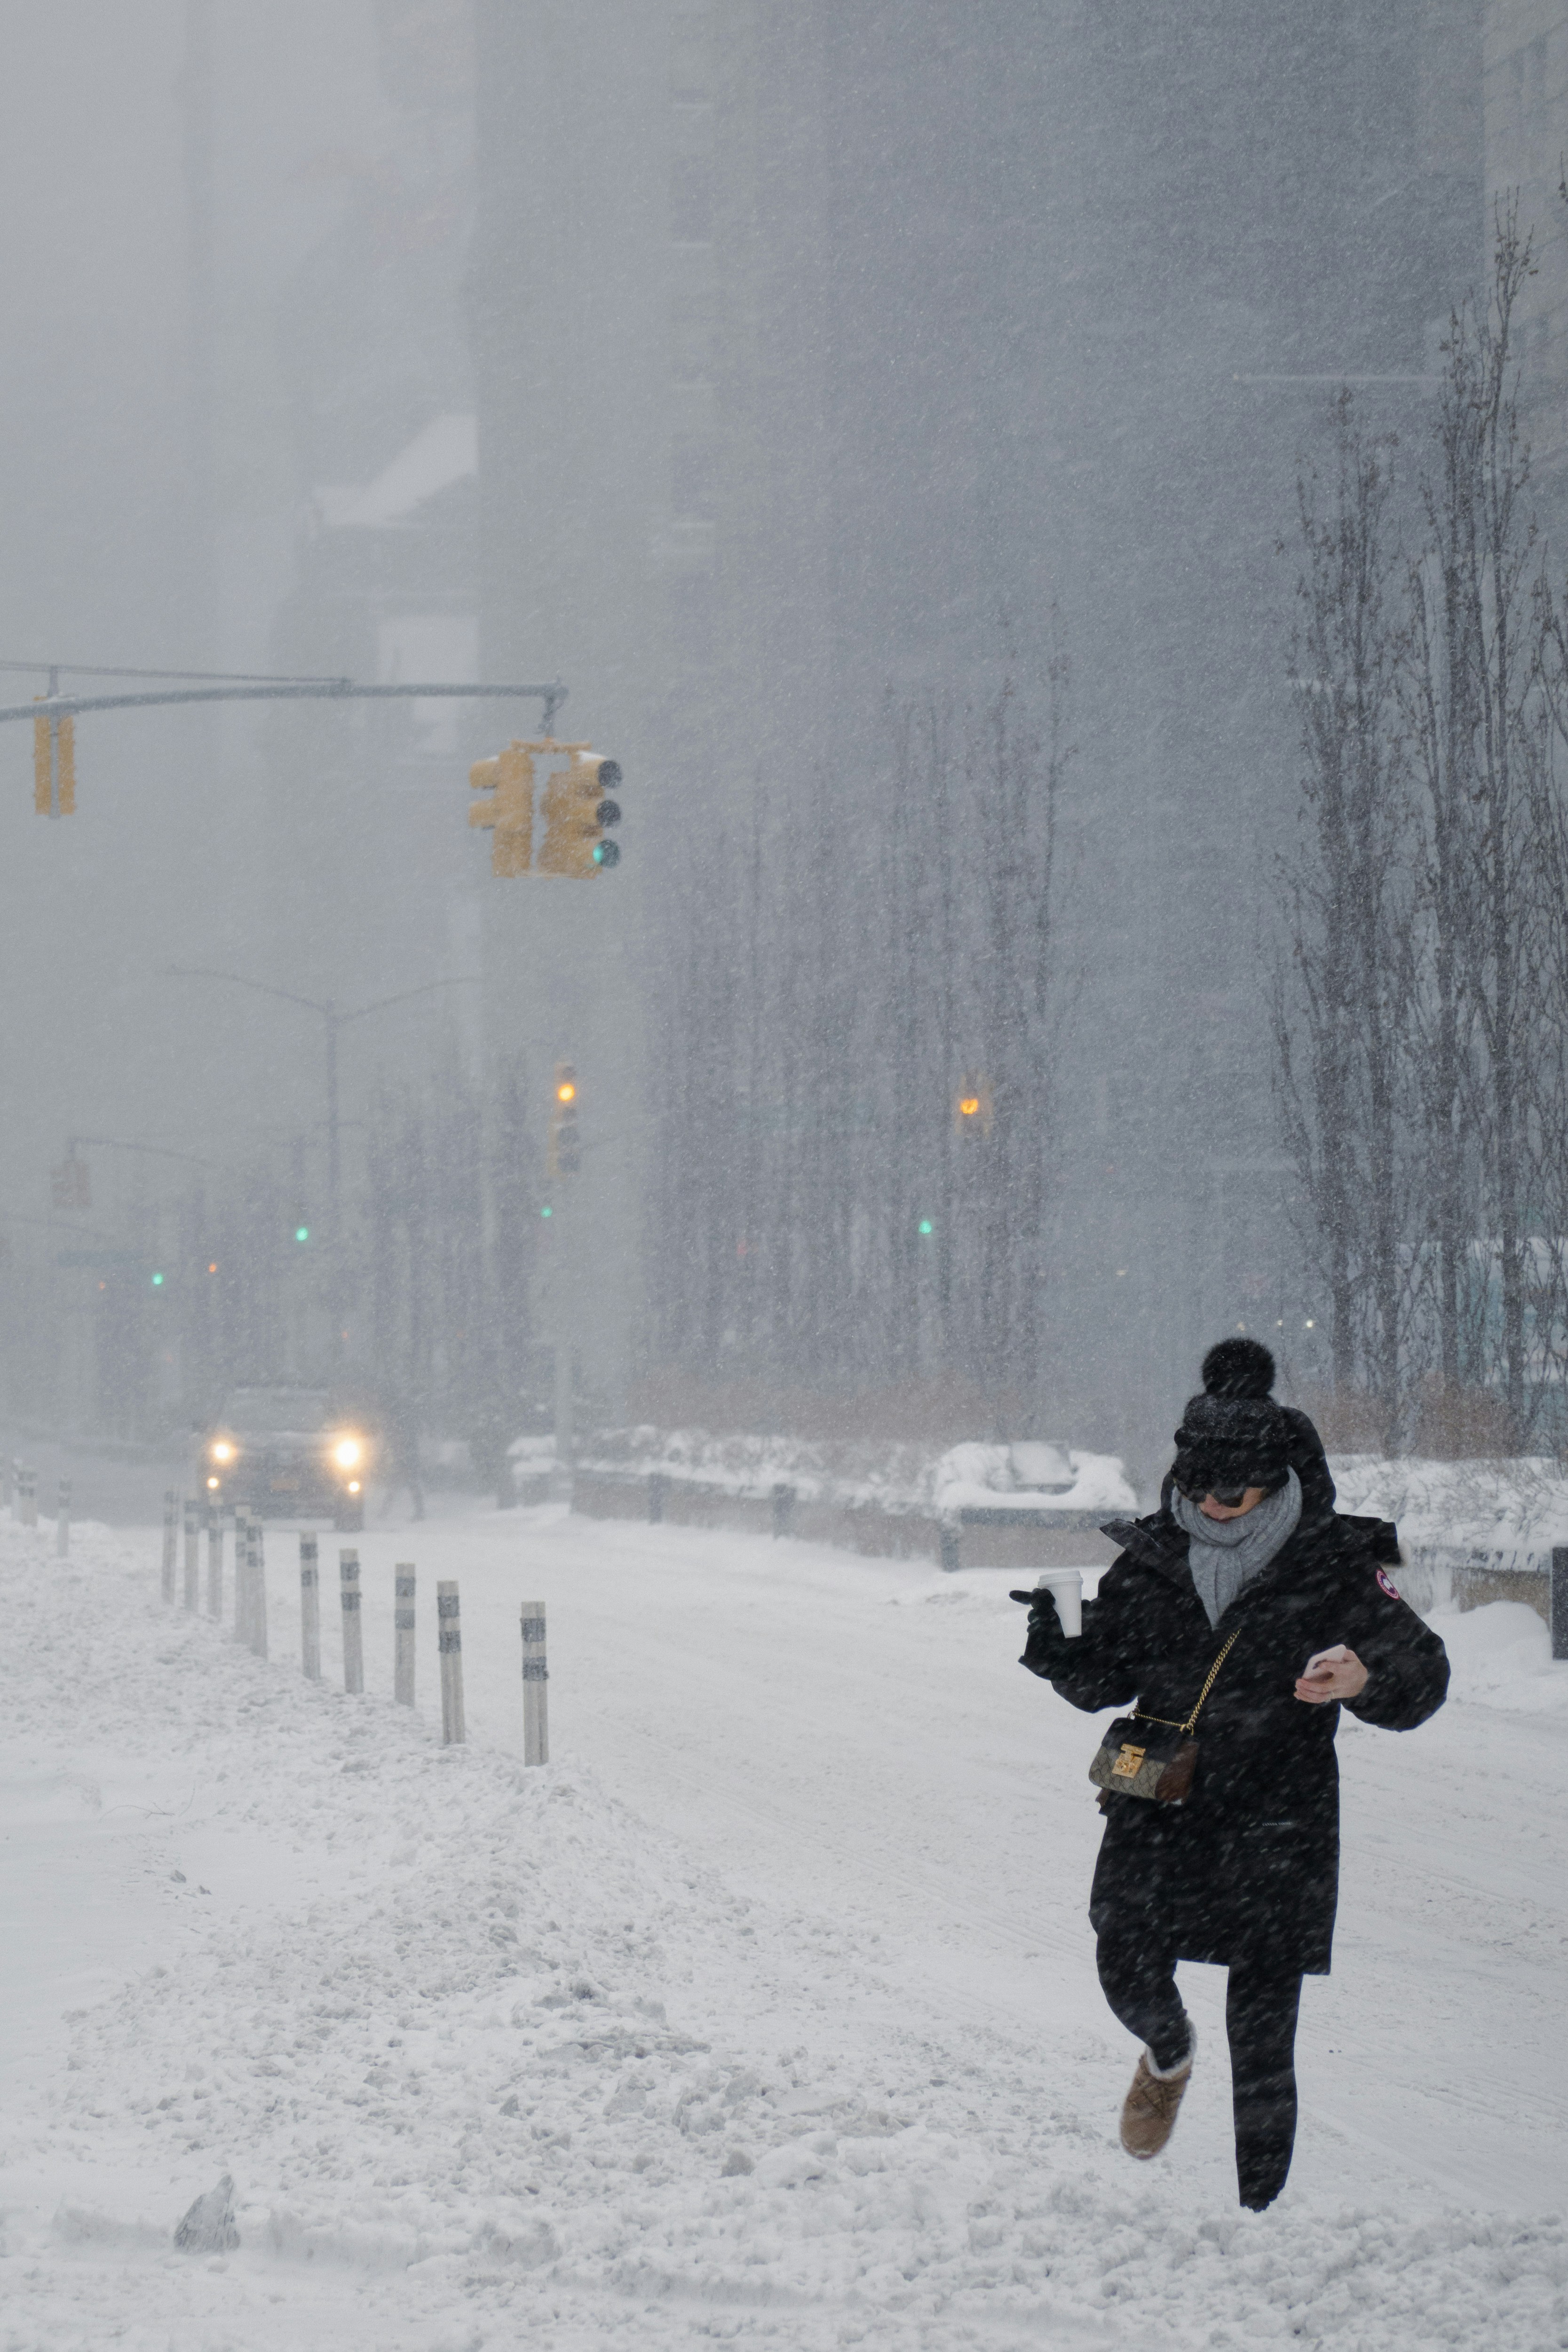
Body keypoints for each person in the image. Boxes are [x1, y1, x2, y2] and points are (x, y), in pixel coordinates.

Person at [1016, 1337, 1449, 2210]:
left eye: (1233, 1490)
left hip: (1276, 1816)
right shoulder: (1151, 1559)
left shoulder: (1332, 1563)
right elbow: (1103, 1678)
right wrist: (1058, 1646)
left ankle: (1262, 2214)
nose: (1213, 1506)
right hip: (1156, 1794)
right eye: (1198, 1488)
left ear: (1275, 1476)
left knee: (1262, 2030)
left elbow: (1423, 1677)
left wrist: (1366, 1675)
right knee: (1121, 1951)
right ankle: (1166, 2053)